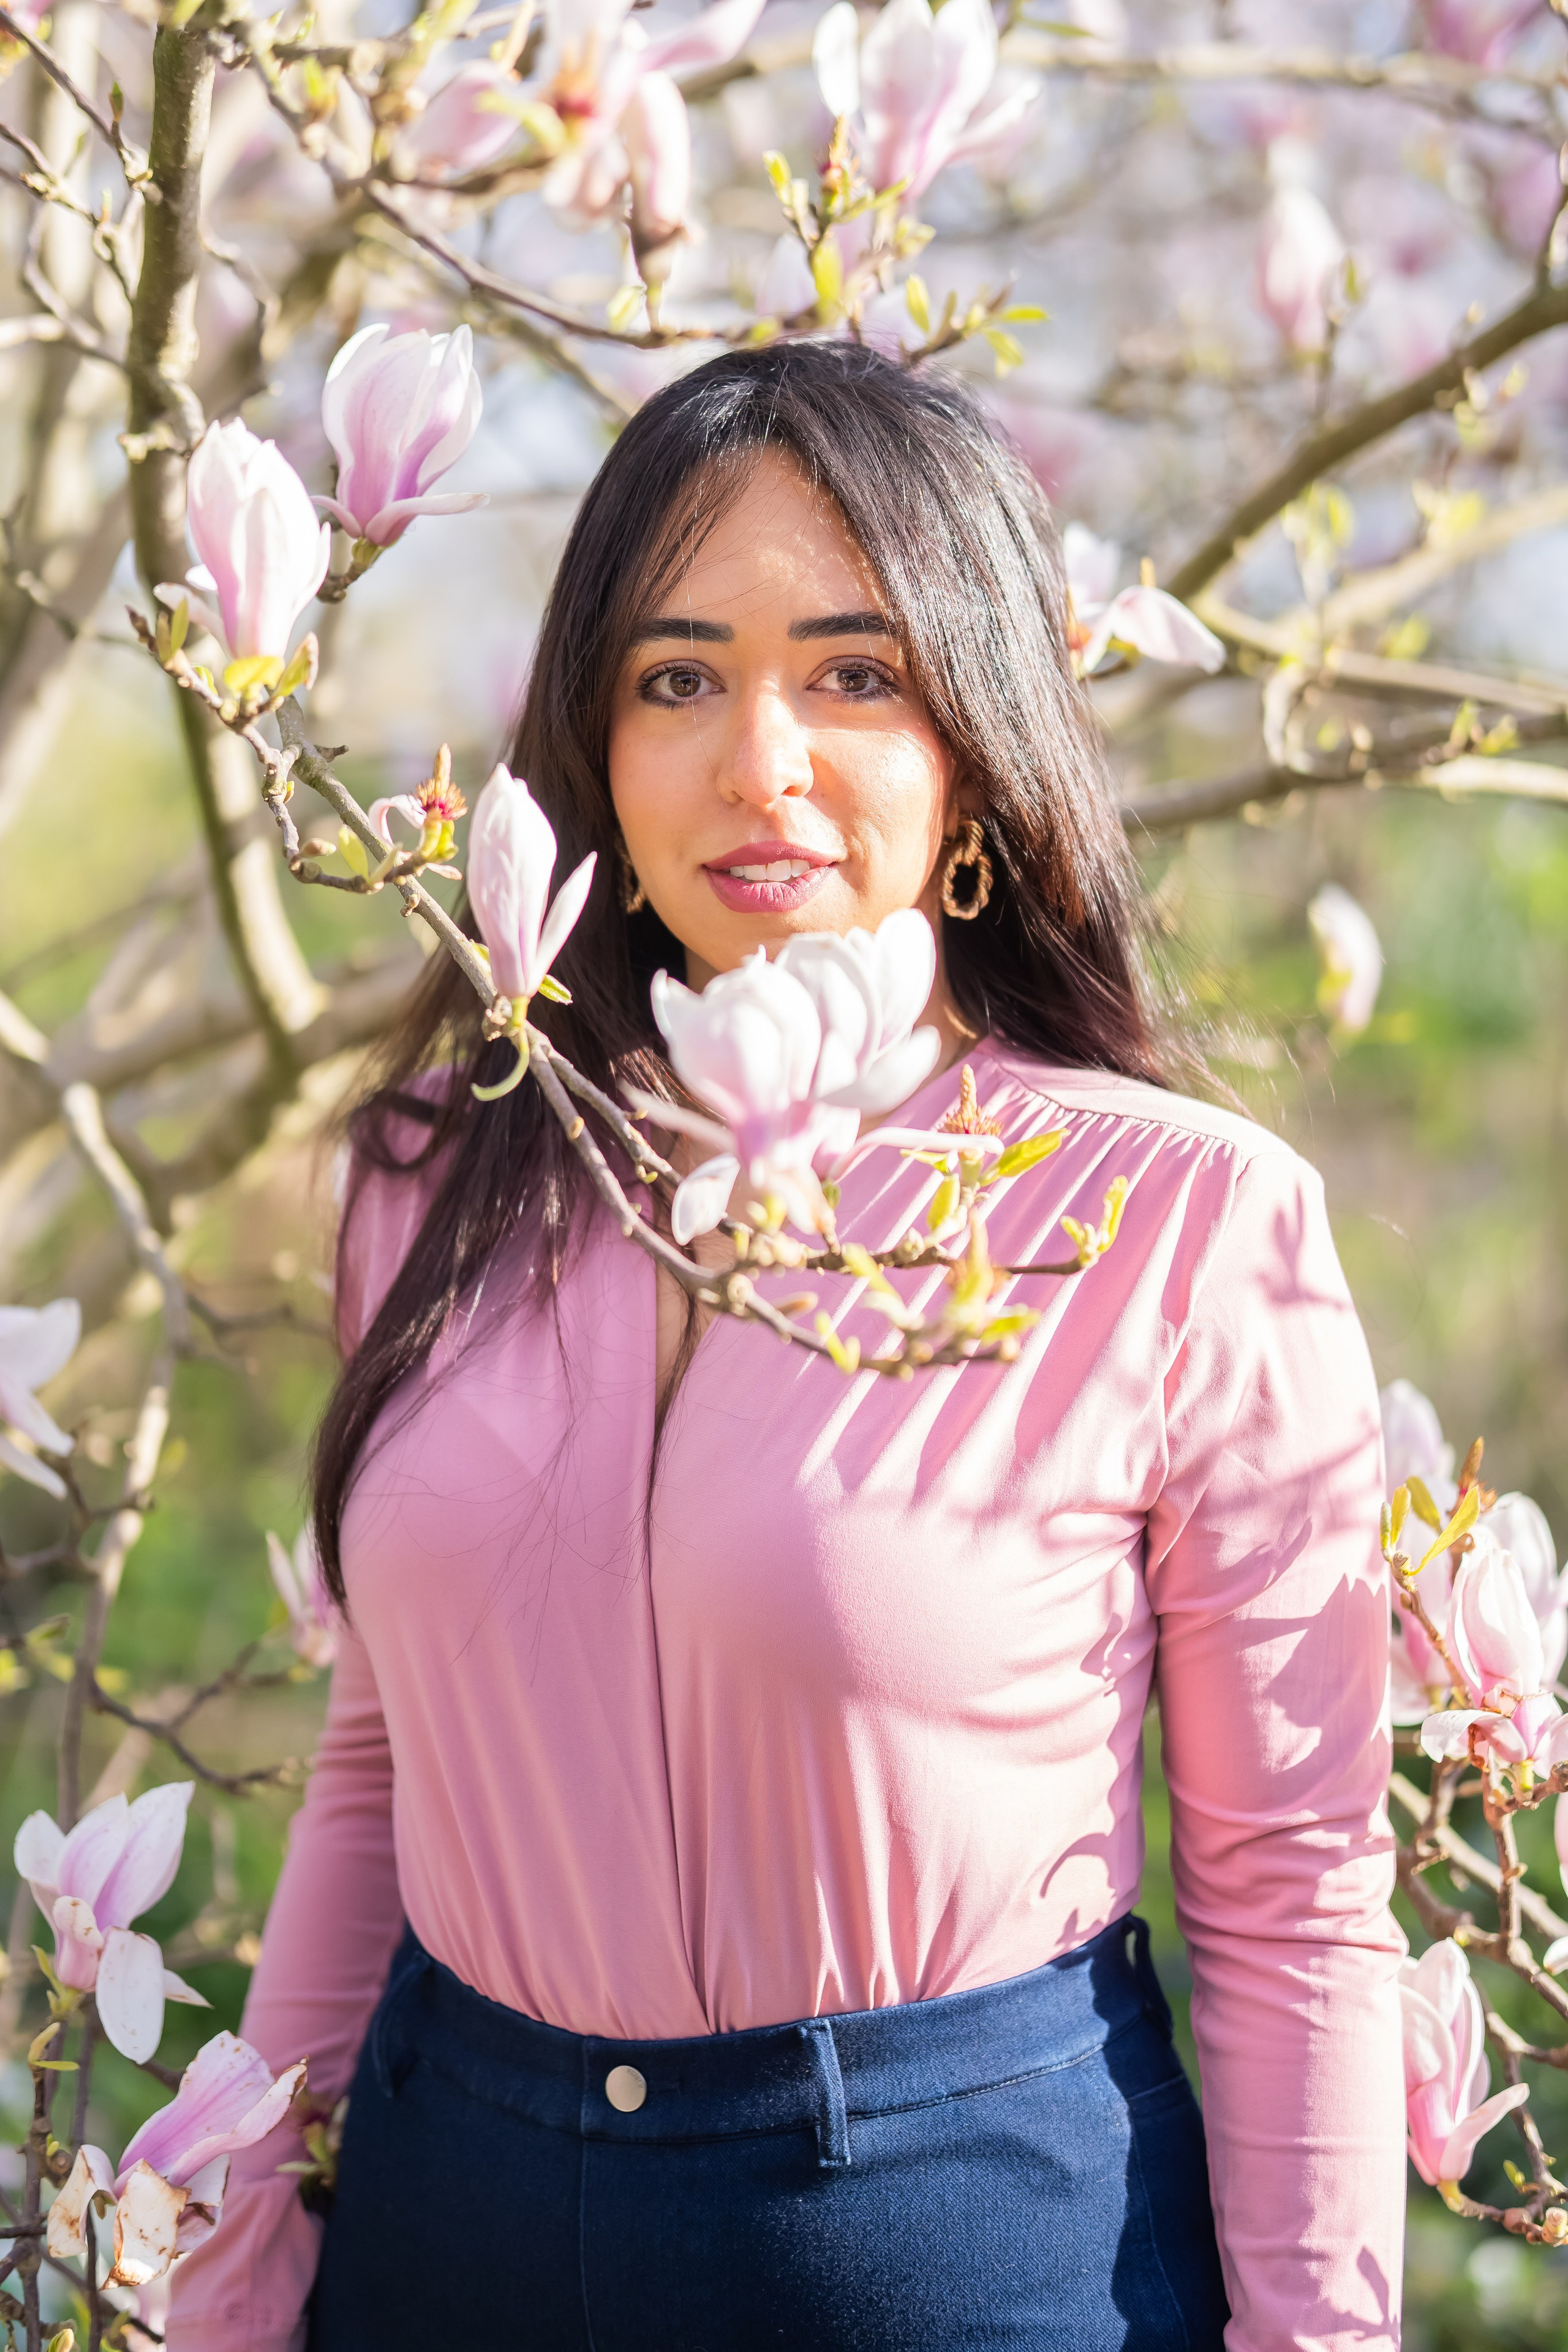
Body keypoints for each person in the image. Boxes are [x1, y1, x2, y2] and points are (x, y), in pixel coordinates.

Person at [168, 341, 1404, 2352]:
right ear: (592, 753)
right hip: (443, 2216)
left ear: (978, 749)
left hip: (957, 2249)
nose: (763, 763)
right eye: (677, 680)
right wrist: (226, 2277)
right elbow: (379, 1772)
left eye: (855, 673)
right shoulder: (437, 1181)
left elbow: (1295, 1898)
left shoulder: (1179, 1223)